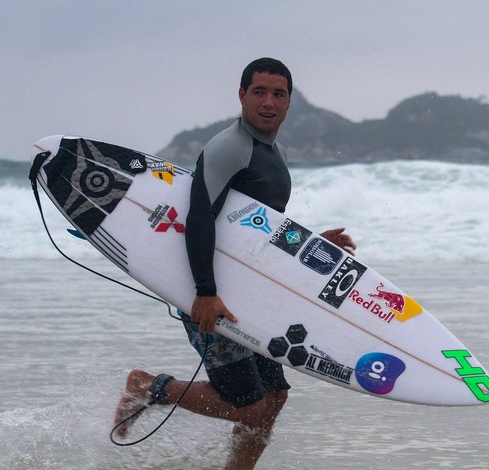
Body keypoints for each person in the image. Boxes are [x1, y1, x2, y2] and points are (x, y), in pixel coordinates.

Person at [114, 58, 356, 469]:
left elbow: (253, 229)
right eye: (259, 91)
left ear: (289, 101)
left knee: (274, 398)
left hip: (246, 292)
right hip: (210, 292)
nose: (268, 101)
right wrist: (204, 294)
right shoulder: (230, 147)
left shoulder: (271, 152)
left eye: (277, 94)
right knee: (246, 406)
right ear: (242, 95)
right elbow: (200, 217)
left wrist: (312, 243)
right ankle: (147, 386)